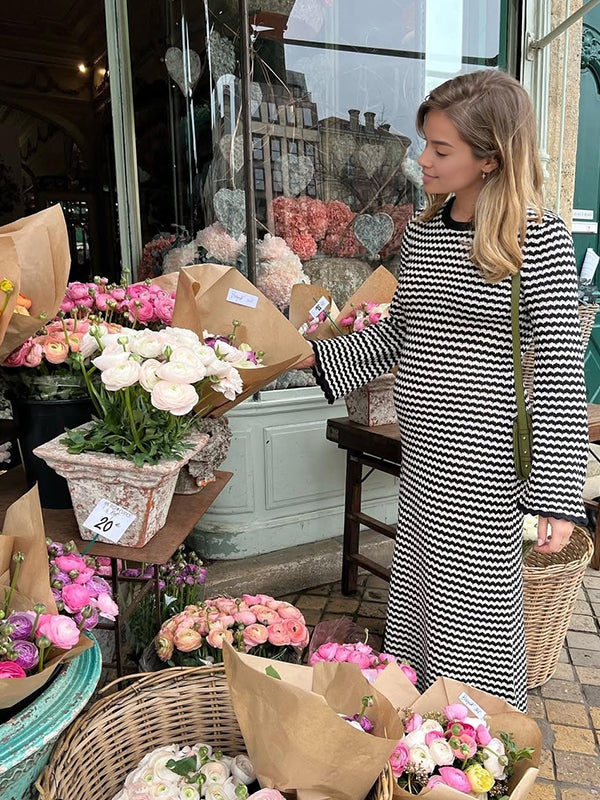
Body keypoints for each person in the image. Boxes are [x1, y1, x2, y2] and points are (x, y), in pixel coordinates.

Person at [296, 69, 588, 712]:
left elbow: (559, 369)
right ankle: (416, 739)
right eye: (424, 143)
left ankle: (471, 740)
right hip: (423, 461)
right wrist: (312, 357)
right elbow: (401, 336)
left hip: (486, 476)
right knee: (416, 609)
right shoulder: (423, 230)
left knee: (475, 632)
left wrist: (559, 500)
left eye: (440, 148)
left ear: (491, 158)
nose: (421, 159)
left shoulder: (536, 237)